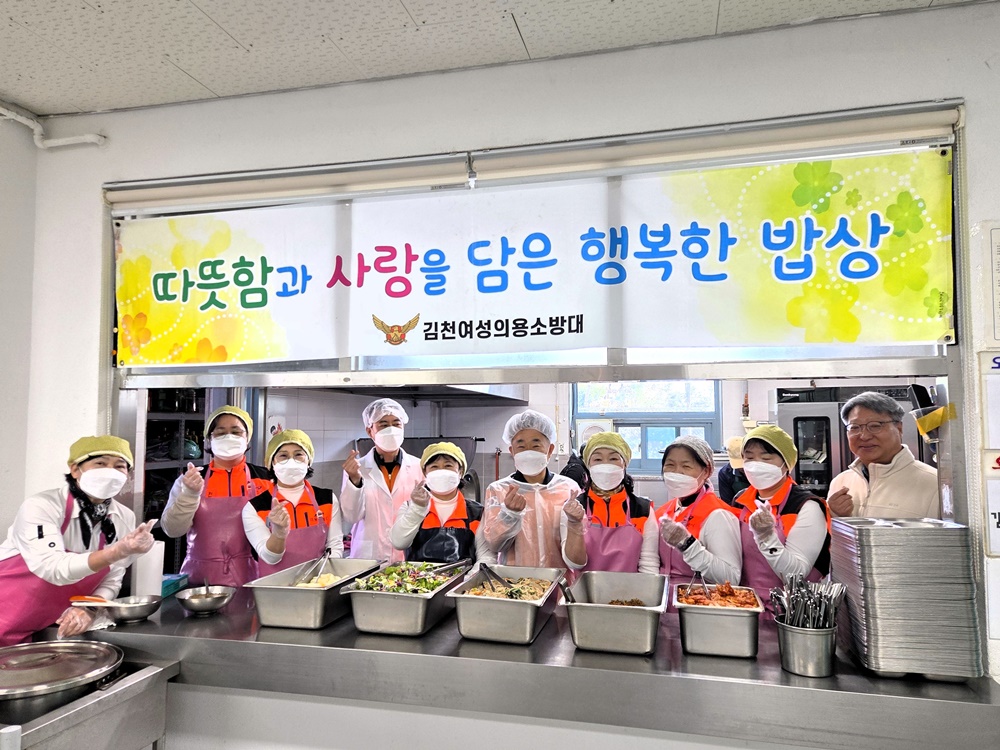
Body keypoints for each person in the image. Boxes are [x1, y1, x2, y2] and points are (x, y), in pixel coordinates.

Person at [0, 436, 156, 645]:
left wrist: (89, 608)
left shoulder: (123, 517)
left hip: (46, 627)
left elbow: (112, 577)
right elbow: (52, 568)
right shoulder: (42, 506)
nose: (110, 471)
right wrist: (115, 552)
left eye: (119, 466)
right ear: (75, 469)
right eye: (100, 463)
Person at [161, 405, 270, 587]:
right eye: (220, 433)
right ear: (209, 440)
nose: (229, 437)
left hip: (253, 579)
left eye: (236, 432)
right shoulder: (191, 479)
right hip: (198, 582)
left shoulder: (265, 479)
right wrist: (189, 495)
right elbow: (172, 530)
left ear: (247, 438)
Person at [733, 425, 831, 609]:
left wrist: (766, 537)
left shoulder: (806, 506)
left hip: (789, 612)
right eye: (749, 457)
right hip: (745, 606)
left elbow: (795, 576)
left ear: (786, 464)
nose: (756, 465)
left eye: (766, 458)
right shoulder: (740, 501)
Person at [479, 410, 586, 569]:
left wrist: (574, 523)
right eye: (521, 446)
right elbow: (494, 545)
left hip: (559, 580)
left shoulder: (568, 488)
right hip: (515, 581)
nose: (528, 452)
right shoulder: (498, 490)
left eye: (536, 445)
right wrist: (509, 515)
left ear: (550, 450)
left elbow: (577, 556)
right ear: (512, 451)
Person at [243, 429, 344, 576]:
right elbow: (270, 558)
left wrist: (327, 580)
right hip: (274, 586)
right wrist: (279, 533)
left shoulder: (326, 499)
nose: (291, 462)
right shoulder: (255, 507)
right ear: (272, 462)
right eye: (283, 456)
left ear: (308, 461)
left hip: (318, 582)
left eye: (298, 455)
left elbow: (335, 546)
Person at [826, 392, 940, 519]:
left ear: (899, 428)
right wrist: (835, 516)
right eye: (855, 427)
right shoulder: (841, 482)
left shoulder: (935, 484)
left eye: (875, 426)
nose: (864, 436)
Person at [340, 398, 424, 562]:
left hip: (408, 553)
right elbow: (351, 517)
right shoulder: (357, 469)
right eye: (383, 425)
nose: (391, 430)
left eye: (396, 424)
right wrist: (355, 481)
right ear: (369, 431)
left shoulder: (418, 467)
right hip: (368, 556)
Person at [656, 436, 742, 591]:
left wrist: (688, 545)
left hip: (699, 601)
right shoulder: (663, 513)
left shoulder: (718, 515)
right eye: (670, 465)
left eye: (686, 466)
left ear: (706, 471)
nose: (677, 472)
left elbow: (731, 578)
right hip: (662, 598)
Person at [574, 432, 657, 574]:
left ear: (624, 464)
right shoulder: (576, 508)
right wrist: (572, 523)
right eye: (598, 459)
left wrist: (645, 589)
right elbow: (573, 562)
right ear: (588, 466)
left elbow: (649, 564)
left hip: (632, 588)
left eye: (613, 458)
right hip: (585, 587)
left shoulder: (642, 510)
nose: (605, 465)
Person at [390, 442, 484, 563]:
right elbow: (398, 543)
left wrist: (471, 575)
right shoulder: (409, 507)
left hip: (465, 575)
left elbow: (485, 556)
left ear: (460, 472)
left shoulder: (477, 513)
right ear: (425, 473)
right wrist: (417, 509)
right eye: (434, 467)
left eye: (448, 465)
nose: (441, 471)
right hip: (419, 575)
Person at [717, 435, 750, 505]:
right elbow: (727, 504)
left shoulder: (761, 469)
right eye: (740, 466)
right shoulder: (725, 474)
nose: (743, 468)